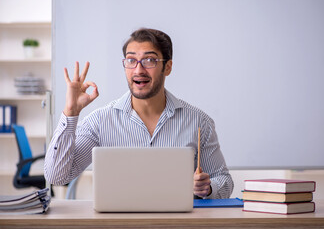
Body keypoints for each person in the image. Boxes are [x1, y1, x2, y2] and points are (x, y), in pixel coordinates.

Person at [44, 28, 233, 199]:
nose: (138, 70)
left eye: (150, 60)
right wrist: (71, 112)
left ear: (167, 67)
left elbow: (224, 181)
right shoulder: (100, 121)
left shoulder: (198, 121)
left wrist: (207, 188)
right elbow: (56, 176)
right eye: (131, 60)